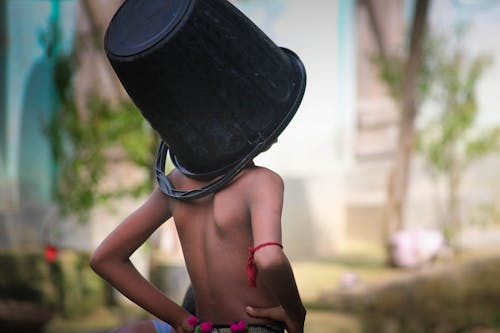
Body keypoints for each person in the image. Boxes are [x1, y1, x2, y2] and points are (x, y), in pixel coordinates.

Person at [90, 160, 306, 333]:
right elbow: (269, 258)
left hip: (200, 328)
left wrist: (179, 318)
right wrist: (295, 313)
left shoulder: (175, 183)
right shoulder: (262, 181)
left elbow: (105, 259)